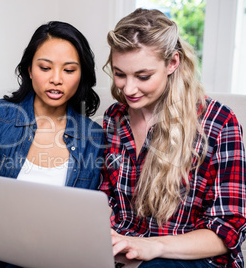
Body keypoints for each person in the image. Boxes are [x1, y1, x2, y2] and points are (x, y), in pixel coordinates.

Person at [0, 21, 105, 267]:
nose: (56, 79)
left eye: (69, 70)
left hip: (55, 242)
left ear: (81, 74)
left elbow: (92, 210)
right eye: (45, 67)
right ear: (30, 70)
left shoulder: (93, 137)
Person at [100, 8, 246, 268]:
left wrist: (154, 246)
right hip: (126, 254)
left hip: (193, 259)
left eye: (143, 76)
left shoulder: (218, 123)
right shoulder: (114, 117)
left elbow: (227, 230)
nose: (128, 89)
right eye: (120, 74)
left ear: (172, 63)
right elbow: (106, 199)